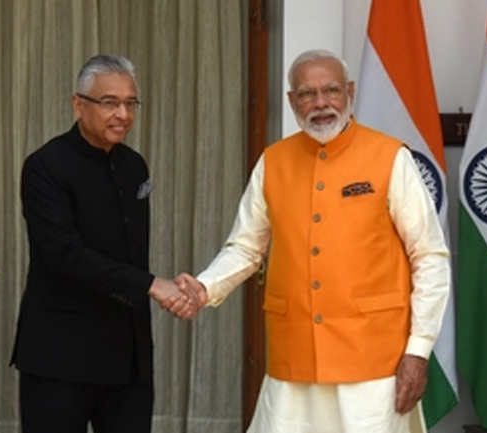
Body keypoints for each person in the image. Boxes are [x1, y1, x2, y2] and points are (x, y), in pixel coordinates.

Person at [173, 49, 450, 433]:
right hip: (293, 361)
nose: (320, 103)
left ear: (349, 92)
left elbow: (430, 257)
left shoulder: (390, 157)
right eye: (306, 94)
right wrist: (205, 287)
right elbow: (246, 247)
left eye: (331, 90)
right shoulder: (273, 161)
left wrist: (418, 350)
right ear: (291, 101)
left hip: (373, 363)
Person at [10, 54, 197, 433]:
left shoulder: (134, 165)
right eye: (110, 102)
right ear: (79, 105)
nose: (123, 114)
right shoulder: (45, 166)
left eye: (131, 103)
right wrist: (152, 285)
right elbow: (65, 254)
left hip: (128, 357)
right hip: (59, 356)